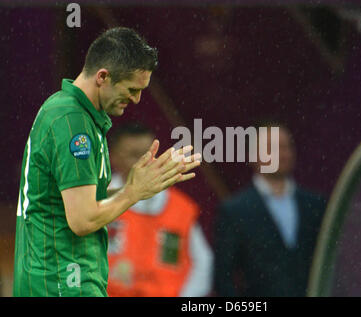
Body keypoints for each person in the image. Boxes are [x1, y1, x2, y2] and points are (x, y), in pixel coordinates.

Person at [13, 27, 201, 297]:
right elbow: (83, 219)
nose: (136, 99)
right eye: (132, 89)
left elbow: (75, 199)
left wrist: (139, 185)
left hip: (61, 279)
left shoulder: (72, 113)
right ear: (103, 76)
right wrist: (134, 192)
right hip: (62, 283)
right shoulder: (72, 123)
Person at [213, 121, 327, 296]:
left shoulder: (315, 205)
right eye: (272, 148)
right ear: (253, 155)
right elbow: (223, 276)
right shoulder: (236, 210)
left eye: (286, 147)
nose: (281, 154)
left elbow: (332, 261)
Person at [106, 123, 213, 297]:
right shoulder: (99, 200)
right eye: (134, 155)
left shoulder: (181, 208)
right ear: (113, 157)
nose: (145, 162)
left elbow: (203, 263)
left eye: (151, 155)